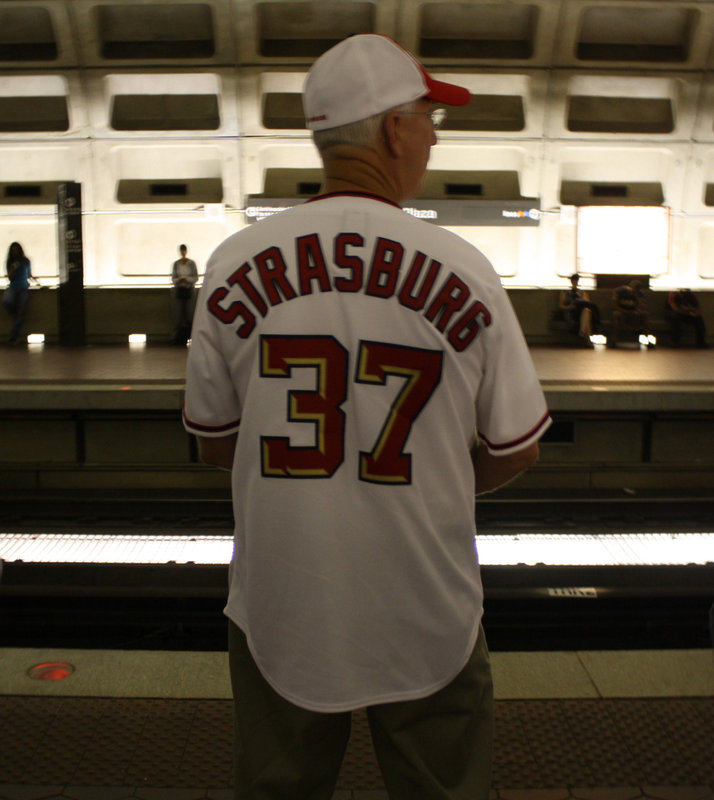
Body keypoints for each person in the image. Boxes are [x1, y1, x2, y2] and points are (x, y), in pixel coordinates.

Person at [183, 33, 551, 800]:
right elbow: (517, 449)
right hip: (425, 604)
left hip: (281, 604)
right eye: (427, 117)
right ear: (392, 129)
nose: (434, 135)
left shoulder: (231, 265)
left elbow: (216, 446)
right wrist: (434, 482)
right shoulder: (464, 269)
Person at [3, 242, 35, 345]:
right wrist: (12, 268)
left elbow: (29, 274)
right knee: (6, 301)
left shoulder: (26, 261)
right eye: (13, 250)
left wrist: (35, 280)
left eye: (17, 250)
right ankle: (15, 313)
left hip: (23, 288)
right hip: (13, 287)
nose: (15, 252)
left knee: (21, 312)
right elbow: (10, 277)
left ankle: (14, 336)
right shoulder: (10, 262)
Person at [559, 273, 601, 342]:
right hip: (571, 313)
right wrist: (570, 307)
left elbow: (587, 303)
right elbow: (561, 306)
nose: (575, 282)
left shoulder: (582, 292)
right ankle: (588, 340)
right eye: (574, 281)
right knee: (587, 316)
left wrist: (580, 297)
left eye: (576, 281)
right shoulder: (565, 292)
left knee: (587, 311)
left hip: (580, 312)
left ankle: (582, 333)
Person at [170, 243, 198, 344]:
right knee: (177, 314)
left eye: (184, 250)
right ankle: (177, 337)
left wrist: (187, 279)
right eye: (181, 250)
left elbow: (195, 277)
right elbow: (173, 278)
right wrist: (179, 280)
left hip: (189, 289)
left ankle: (191, 335)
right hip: (179, 289)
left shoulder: (191, 263)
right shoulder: (176, 264)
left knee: (190, 313)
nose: (182, 252)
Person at [610, 278, 650, 347]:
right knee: (616, 315)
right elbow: (614, 305)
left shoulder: (640, 294)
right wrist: (625, 311)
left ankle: (648, 340)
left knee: (645, 315)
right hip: (621, 311)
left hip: (634, 312)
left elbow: (643, 307)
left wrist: (637, 297)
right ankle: (614, 340)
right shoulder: (619, 291)